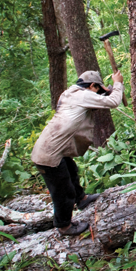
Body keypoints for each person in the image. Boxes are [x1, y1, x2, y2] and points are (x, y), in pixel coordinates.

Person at [31, 70, 123, 235]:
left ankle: (81, 199)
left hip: (51, 149)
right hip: (48, 154)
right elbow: (114, 102)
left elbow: (91, 105)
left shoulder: (70, 93)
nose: (98, 94)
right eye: (98, 89)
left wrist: (104, 92)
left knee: (72, 172)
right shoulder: (83, 95)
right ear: (92, 86)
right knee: (62, 191)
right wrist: (118, 83)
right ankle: (64, 226)